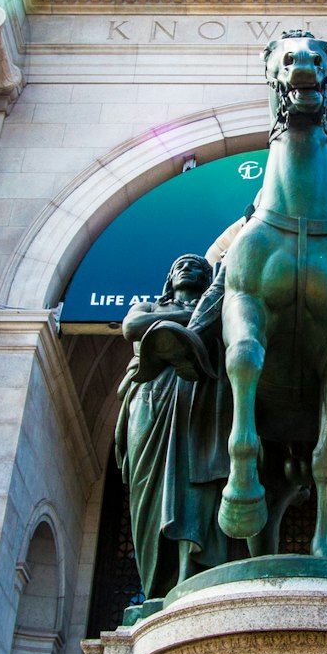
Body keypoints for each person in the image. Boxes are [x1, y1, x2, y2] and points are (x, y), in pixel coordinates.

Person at [116, 254, 230, 597]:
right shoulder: (147, 307)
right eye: (180, 264)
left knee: (195, 486)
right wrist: (198, 317)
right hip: (149, 397)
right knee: (147, 487)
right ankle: (154, 588)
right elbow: (132, 328)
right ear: (169, 277)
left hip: (200, 399)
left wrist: (171, 325)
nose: (188, 269)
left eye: (197, 266)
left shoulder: (222, 312)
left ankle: (190, 577)